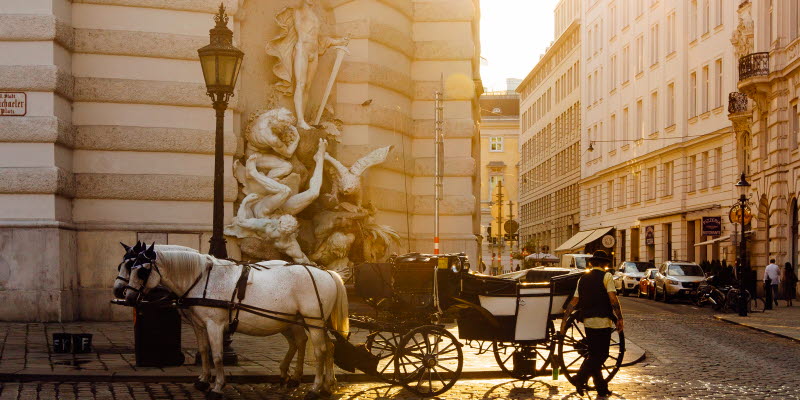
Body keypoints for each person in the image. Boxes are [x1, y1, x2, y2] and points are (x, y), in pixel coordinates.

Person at [560, 250, 623, 399]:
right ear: (604, 264)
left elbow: (574, 302)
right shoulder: (606, 276)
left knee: (594, 354)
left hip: (588, 321)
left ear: (592, 263)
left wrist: (564, 320)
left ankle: (601, 388)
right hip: (603, 321)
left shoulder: (583, 278)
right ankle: (579, 378)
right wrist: (620, 318)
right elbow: (613, 299)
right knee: (602, 355)